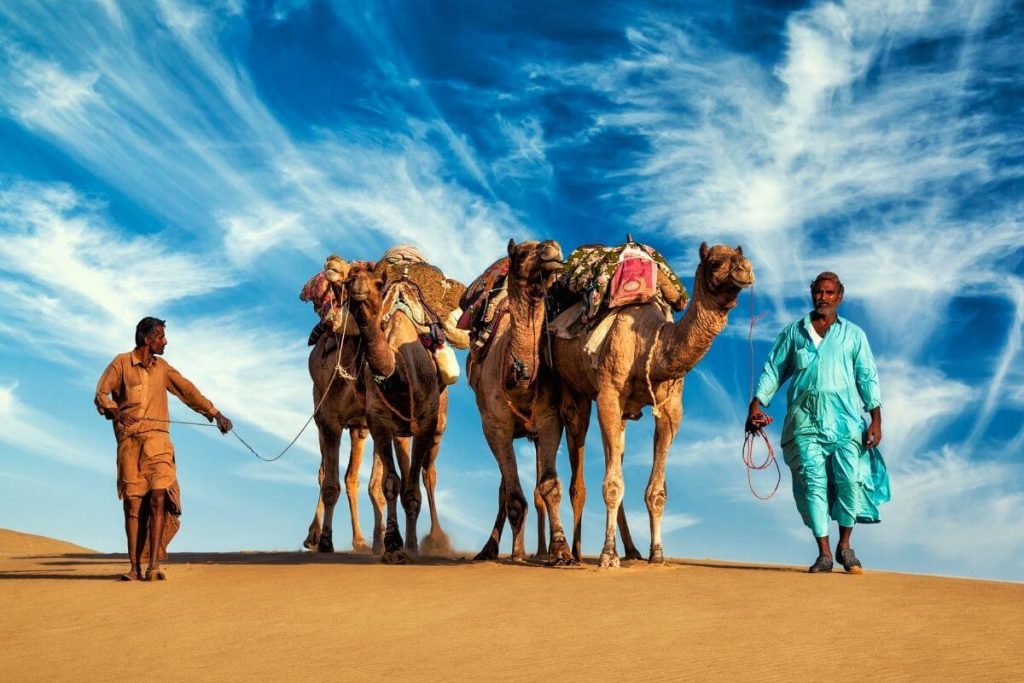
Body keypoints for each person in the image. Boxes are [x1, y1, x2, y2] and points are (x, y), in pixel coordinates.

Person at [746, 272, 889, 574]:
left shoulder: (854, 335)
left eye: (830, 292)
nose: (823, 298)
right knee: (814, 484)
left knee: (849, 481)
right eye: (818, 292)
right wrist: (757, 403)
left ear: (840, 296)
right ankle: (824, 552)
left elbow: (867, 377)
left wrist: (875, 418)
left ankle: (845, 545)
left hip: (846, 422)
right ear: (812, 294)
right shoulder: (794, 333)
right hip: (805, 422)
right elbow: (774, 370)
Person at [94, 317, 232, 581]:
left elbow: (188, 391)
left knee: (158, 498)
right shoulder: (121, 363)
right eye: (160, 336)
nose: (165, 341)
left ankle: (153, 565)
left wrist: (215, 414)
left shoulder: (163, 368)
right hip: (130, 446)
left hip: (158, 444)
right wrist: (115, 412)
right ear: (147, 339)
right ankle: (134, 567)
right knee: (133, 507)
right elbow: (101, 393)